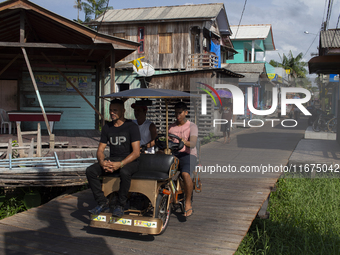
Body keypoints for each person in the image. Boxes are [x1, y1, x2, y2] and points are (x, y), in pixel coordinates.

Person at [86, 99, 140, 217]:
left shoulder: (132, 126)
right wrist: (102, 162)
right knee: (90, 171)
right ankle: (102, 202)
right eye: (110, 110)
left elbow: (136, 153)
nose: (112, 113)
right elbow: (100, 150)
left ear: (123, 111)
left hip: (130, 161)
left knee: (125, 172)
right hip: (113, 159)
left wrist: (120, 164)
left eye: (115, 110)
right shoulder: (107, 127)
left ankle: (120, 205)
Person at [169, 102, 198, 217]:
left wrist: (184, 142)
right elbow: (167, 141)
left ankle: (188, 201)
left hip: (188, 154)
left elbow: (193, 143)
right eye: (175, 113)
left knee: (186, 174)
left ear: (186, 112)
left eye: (180, 112)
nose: (177, 115)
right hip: (175, 154)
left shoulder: (192, 126)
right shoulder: (171, 127)